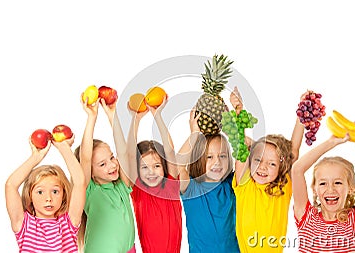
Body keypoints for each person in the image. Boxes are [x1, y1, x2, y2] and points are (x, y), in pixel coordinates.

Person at [231, 86, 305, 252]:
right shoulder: (245, 185)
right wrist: (238, 111)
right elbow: (240, 146)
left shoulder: (283, 186)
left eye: (272, 163)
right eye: (258, 160)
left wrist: (302, 114)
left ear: (281, 166)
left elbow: (293, 151)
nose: (262, 167)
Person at [292, 133, 355, 252]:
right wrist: (331, 142)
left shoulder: (354, 220)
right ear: (314, 189)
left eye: (338, 183)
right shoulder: (307, 218)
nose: (330, 189)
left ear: (350, 188)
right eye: (323, 183)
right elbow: (297, 170)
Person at [5, 133, 86, 253]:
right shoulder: (24, 224)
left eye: (55, 191)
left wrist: (64, 149)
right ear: (30, 195)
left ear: (63, 195)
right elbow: (11, 185)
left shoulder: (68, 224)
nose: (48, 198)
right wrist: (36, 157)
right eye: (40, 192)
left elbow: (80, 182)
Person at [75, 96, 135, 253]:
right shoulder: (89, 190)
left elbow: (124, 153)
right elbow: (86, 158)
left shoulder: (122, 186)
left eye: (111, 157)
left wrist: (112, 115)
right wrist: (92, 117)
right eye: (102, 164)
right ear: (91, 173)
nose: (112, 165)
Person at [177, 108, 240, 253]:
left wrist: (231, 129)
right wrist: (194, 135)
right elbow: (176, 166)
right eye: (209, 157)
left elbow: (251, 159)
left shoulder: (232, 184)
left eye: (222, 156)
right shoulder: (191, 189)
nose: (217, 162)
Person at [126, 97, 182, 253]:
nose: (151, 172)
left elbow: (170, 151)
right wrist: (135, 120)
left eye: (156, 166)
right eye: (144, 167)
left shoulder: (171, 187)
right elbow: (130, 155)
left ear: (163, 167)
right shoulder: (137, 191)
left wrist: (157, 116)